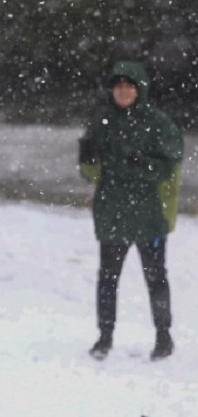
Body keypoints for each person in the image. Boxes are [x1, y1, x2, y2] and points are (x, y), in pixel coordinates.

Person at [78, 61, 183, 362]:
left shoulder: (158, 123)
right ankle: (105, 336)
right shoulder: (101, 122)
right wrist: (88, 159)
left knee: (156, 278)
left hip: (149, 215)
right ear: (112, 90)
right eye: (118, 86)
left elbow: (171, 165)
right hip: (112, 213)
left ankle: (164, 336)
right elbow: (90, 175)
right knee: (108, 278)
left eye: (129, 86)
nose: (124, 91)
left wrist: (147, 166)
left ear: (140, 90)